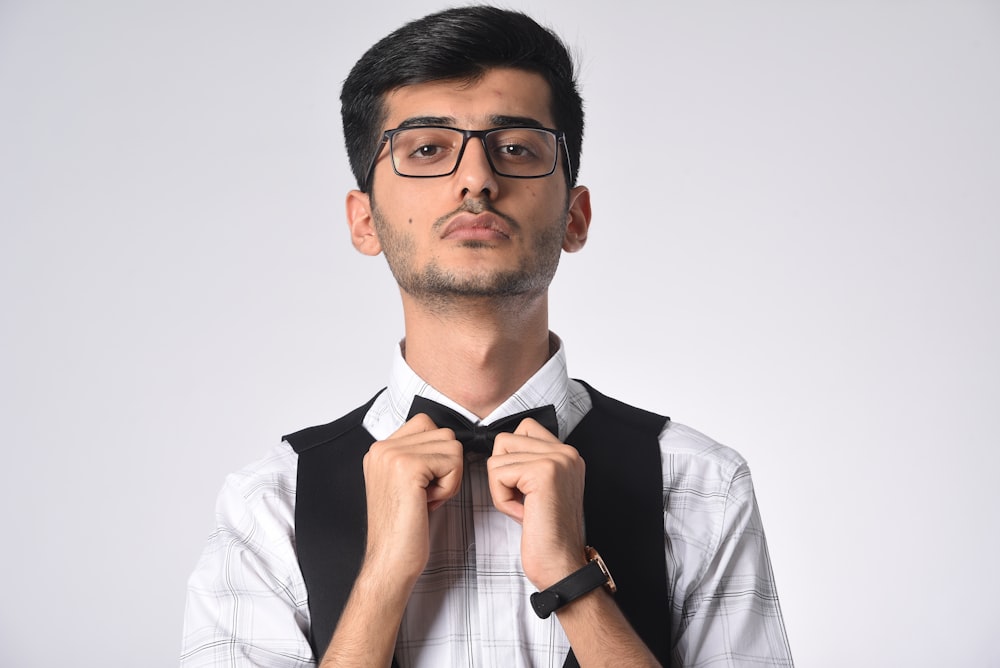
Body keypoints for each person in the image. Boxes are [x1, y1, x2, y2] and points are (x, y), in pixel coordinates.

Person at [181, 6, 793, 667]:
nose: (476, 179)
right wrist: (383, 575)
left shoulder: (699, 484)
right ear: (364, 222)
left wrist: (573, 580)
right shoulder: (271, 502)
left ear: (575, 218)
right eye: (426, 150)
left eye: (516, 149)